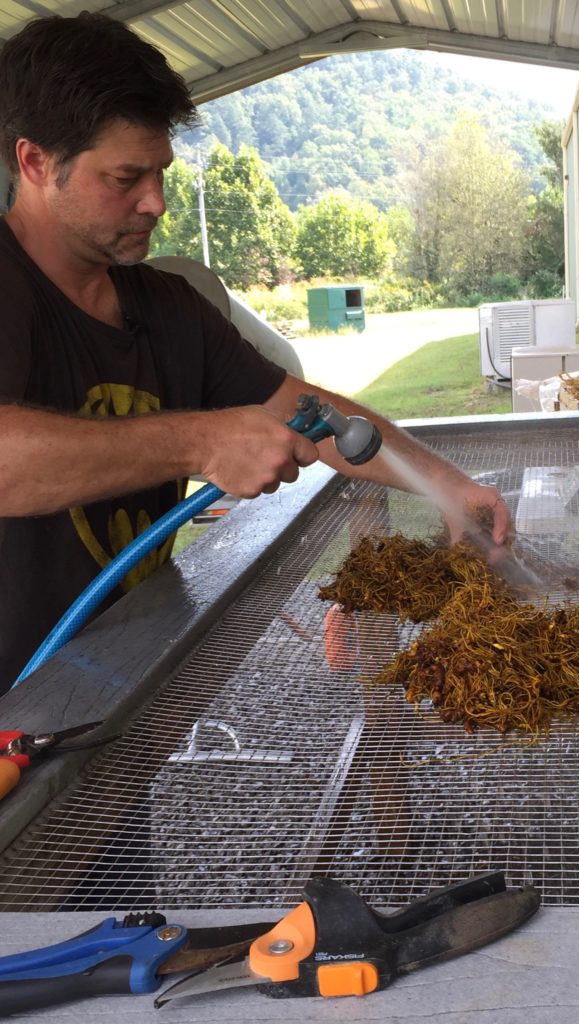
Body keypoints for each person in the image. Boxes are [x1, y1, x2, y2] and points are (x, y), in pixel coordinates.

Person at [0, 13, 510, 694]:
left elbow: (305, 411)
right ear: (35, 162)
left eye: (160, 173)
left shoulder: (168, 307)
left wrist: (446, 486)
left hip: (105, 686)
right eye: (125, 178)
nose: (155, 202)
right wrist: (196, 441)